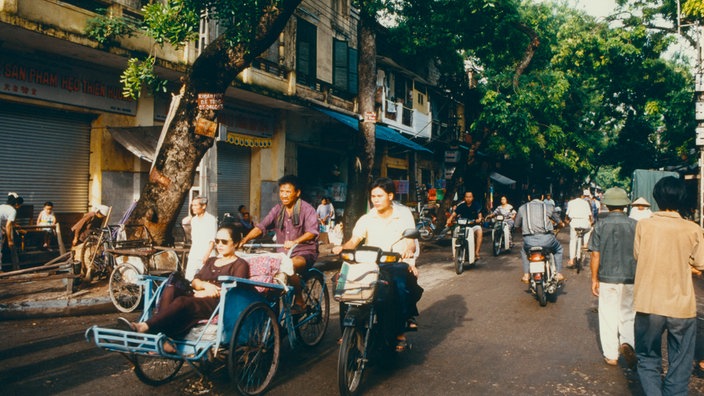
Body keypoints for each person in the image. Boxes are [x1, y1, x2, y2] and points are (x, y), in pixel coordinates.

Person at [123, 226, 250, 350]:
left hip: (217, 303)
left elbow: (236, 292)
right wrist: (204, 286)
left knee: (182, 301)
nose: (219, 245)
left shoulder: (240, 264)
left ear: (236, 243)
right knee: (171, 288)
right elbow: (195, 280)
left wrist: (209, 292)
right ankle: (163, 338)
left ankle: (145, 327)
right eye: (217, 241)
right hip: (197, 294)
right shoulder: (211, 260)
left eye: (224, 241)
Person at [632, 176, 704, 395]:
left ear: (656, 198)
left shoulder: (644, 226)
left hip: (649, 302)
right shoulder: (693, 229)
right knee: (681, 363)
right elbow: (701, 263)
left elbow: (638, 255)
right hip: (681, 306)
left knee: (647, 357)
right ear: (682, 198)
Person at [332, 177, 420, 352]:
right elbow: (354, 240)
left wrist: (409, 252)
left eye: (380, 196)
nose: (376, 200)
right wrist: (342, 248)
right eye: (373, 196)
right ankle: (347, 332)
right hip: (370, 262)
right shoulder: (367, 218)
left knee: (400, 286)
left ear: (390, 196)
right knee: (344, 284)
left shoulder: (403, 214)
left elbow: (410, 240)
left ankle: (400, 330)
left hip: (395, 261)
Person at [238, 175, 318, 310]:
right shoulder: (277, 209)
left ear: (297, 193)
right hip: (282, 253)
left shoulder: (307, 209)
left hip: (304, 252)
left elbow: (312, 232)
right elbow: (261, 226)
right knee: (267, 275)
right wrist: (245, 240)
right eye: (282, 191)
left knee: (288, 265)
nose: (284, 195)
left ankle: (300, 301)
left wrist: (295, 241)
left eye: (288, 191)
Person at [588, 187, 637, 367]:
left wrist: (594, 279)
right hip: (631, 277)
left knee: (608, 315)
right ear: (625, 205)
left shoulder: (600, 225)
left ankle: (611, 355)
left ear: (606, 204)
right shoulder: (635, 225)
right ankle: (627, 343)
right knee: (628, 314)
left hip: (607, 277)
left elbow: (595, 255)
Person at [514, 194, 565, 284]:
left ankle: (526, 275)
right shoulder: (549, 207)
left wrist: (523, 232)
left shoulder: (522, 208)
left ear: (529, 197)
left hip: (529, 241)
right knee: (559, 249)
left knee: (524, 251)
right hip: (547, 240)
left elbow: (516, 226)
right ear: (542, 197)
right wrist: (560, 226)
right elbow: (560, 222)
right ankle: (558, 273)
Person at [183, 196, 218, 281]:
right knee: (189, 278)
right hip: (194, 253)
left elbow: (212, 240)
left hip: (207, 254)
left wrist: (206, 255)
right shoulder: (194, 220)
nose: (193, 208)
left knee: (206, 278)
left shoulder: (211, 219)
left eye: (195, 205)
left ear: (203, 206)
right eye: (192, 205)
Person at [446, 191, 483, 260]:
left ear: (472, 198)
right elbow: (455, 213)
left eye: (470, 197)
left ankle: (477, 252)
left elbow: (479, 215)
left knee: (479, 232)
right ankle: (454, 254)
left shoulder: (476, 205)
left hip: (473, 225)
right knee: (455, 234)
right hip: (463, 226)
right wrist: (450, 219)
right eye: (467, 197)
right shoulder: (461, 205)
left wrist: (479, 219)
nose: (468, 198)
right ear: (464, 198)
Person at [566, 189, 593, 269]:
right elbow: (590, 216)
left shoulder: (570, 203)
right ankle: (585, 243)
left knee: (573, 240)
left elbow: (567, 215)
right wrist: (591, 222)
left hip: (574, 223)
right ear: (582, 196)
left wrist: (567, 220)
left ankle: (571, 260)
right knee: (590, 229)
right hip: (584, 223)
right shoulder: (586, 203)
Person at [0, 193, 23, 267]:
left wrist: (15, 225)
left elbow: (8, 220)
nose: (19, 207)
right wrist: (9, 240)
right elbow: (8, 226)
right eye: (19, 205)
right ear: (16, 204)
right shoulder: (13, 210)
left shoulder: (2, 206)